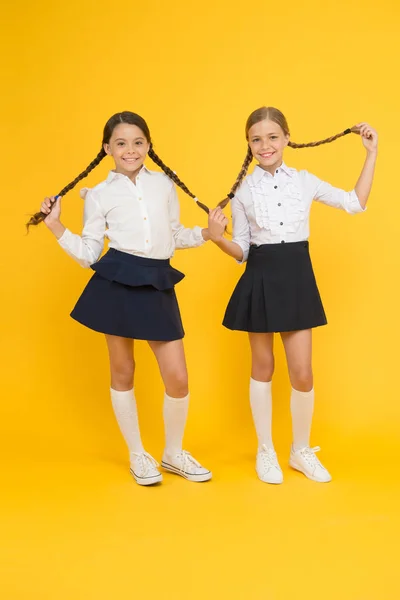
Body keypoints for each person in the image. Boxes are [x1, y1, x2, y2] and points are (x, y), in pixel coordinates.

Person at [28, 111, 213, 486]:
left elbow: (174, 235)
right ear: (107, 148)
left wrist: (208, 233)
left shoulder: (164, 185)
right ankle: (137, 454)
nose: (131, 150)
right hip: (119, 279)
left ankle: (173, 453)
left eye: (138, 142)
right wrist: (56, 225)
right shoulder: (98, 195)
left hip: (157, 279)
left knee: (177, 377)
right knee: (123, 371)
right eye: (122, 143)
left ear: (148, 145)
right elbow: (89, 253)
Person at [207, 106, 377, 484]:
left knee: (302, 372)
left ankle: (300, 450)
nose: (264, 145)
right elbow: (243, 251)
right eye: (256, 139)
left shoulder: (304, 180)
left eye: (272, 137)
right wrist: (218, 239)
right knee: (263, 368)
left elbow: (355, 203)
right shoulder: (242, 191)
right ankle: (265, 450)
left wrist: (370, 154)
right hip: (261, 277)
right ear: (248, 144)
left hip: (298, 276)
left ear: (286, 137)